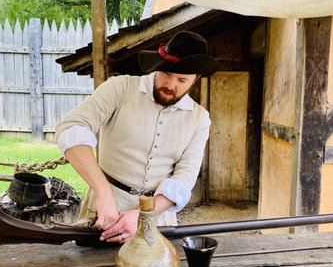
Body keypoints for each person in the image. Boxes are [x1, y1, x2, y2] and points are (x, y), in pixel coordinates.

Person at [55, 30, 218, 244]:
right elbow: (72, 128)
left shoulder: (199, 118)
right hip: (104, 212)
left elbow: (185, 177)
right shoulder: (120, 88)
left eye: (181, 80)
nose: (171, 85)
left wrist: (145, 216)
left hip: (159, 218)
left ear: (195, 80)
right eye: (166, 74)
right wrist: (103, 192)